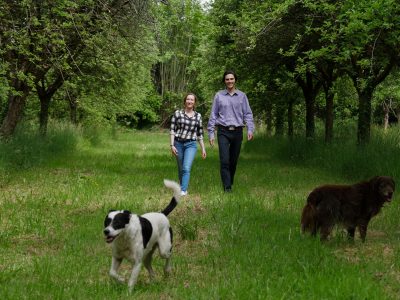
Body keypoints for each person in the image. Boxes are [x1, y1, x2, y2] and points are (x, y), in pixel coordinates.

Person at [207, 70, 254, 192]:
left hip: (238, 132)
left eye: (231, 79)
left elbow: (248, 114)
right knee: (224, 160)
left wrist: (250, 129)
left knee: (233, 161)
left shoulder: (242, 96)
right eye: (227, 79)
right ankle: (227, 188)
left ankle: (230, 181)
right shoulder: (219, 96)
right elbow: (213, 114)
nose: (229, 81)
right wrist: (211, 133)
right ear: (224, 81)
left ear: (235, 80)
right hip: (223, 131)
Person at [170, 93, 206, 196]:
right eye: (188, 99)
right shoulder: (178, 113)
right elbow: (172, 130)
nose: (190, 101)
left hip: (191, 144)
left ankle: (183, 190)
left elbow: (200, 133)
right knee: (181, 168)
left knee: (186, 167)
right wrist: (172, 145)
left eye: (192, 100)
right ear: (185, 101)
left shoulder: (198, 116)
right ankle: (182, 186)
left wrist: (203, 148)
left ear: (194, 102)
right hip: (178, 143)